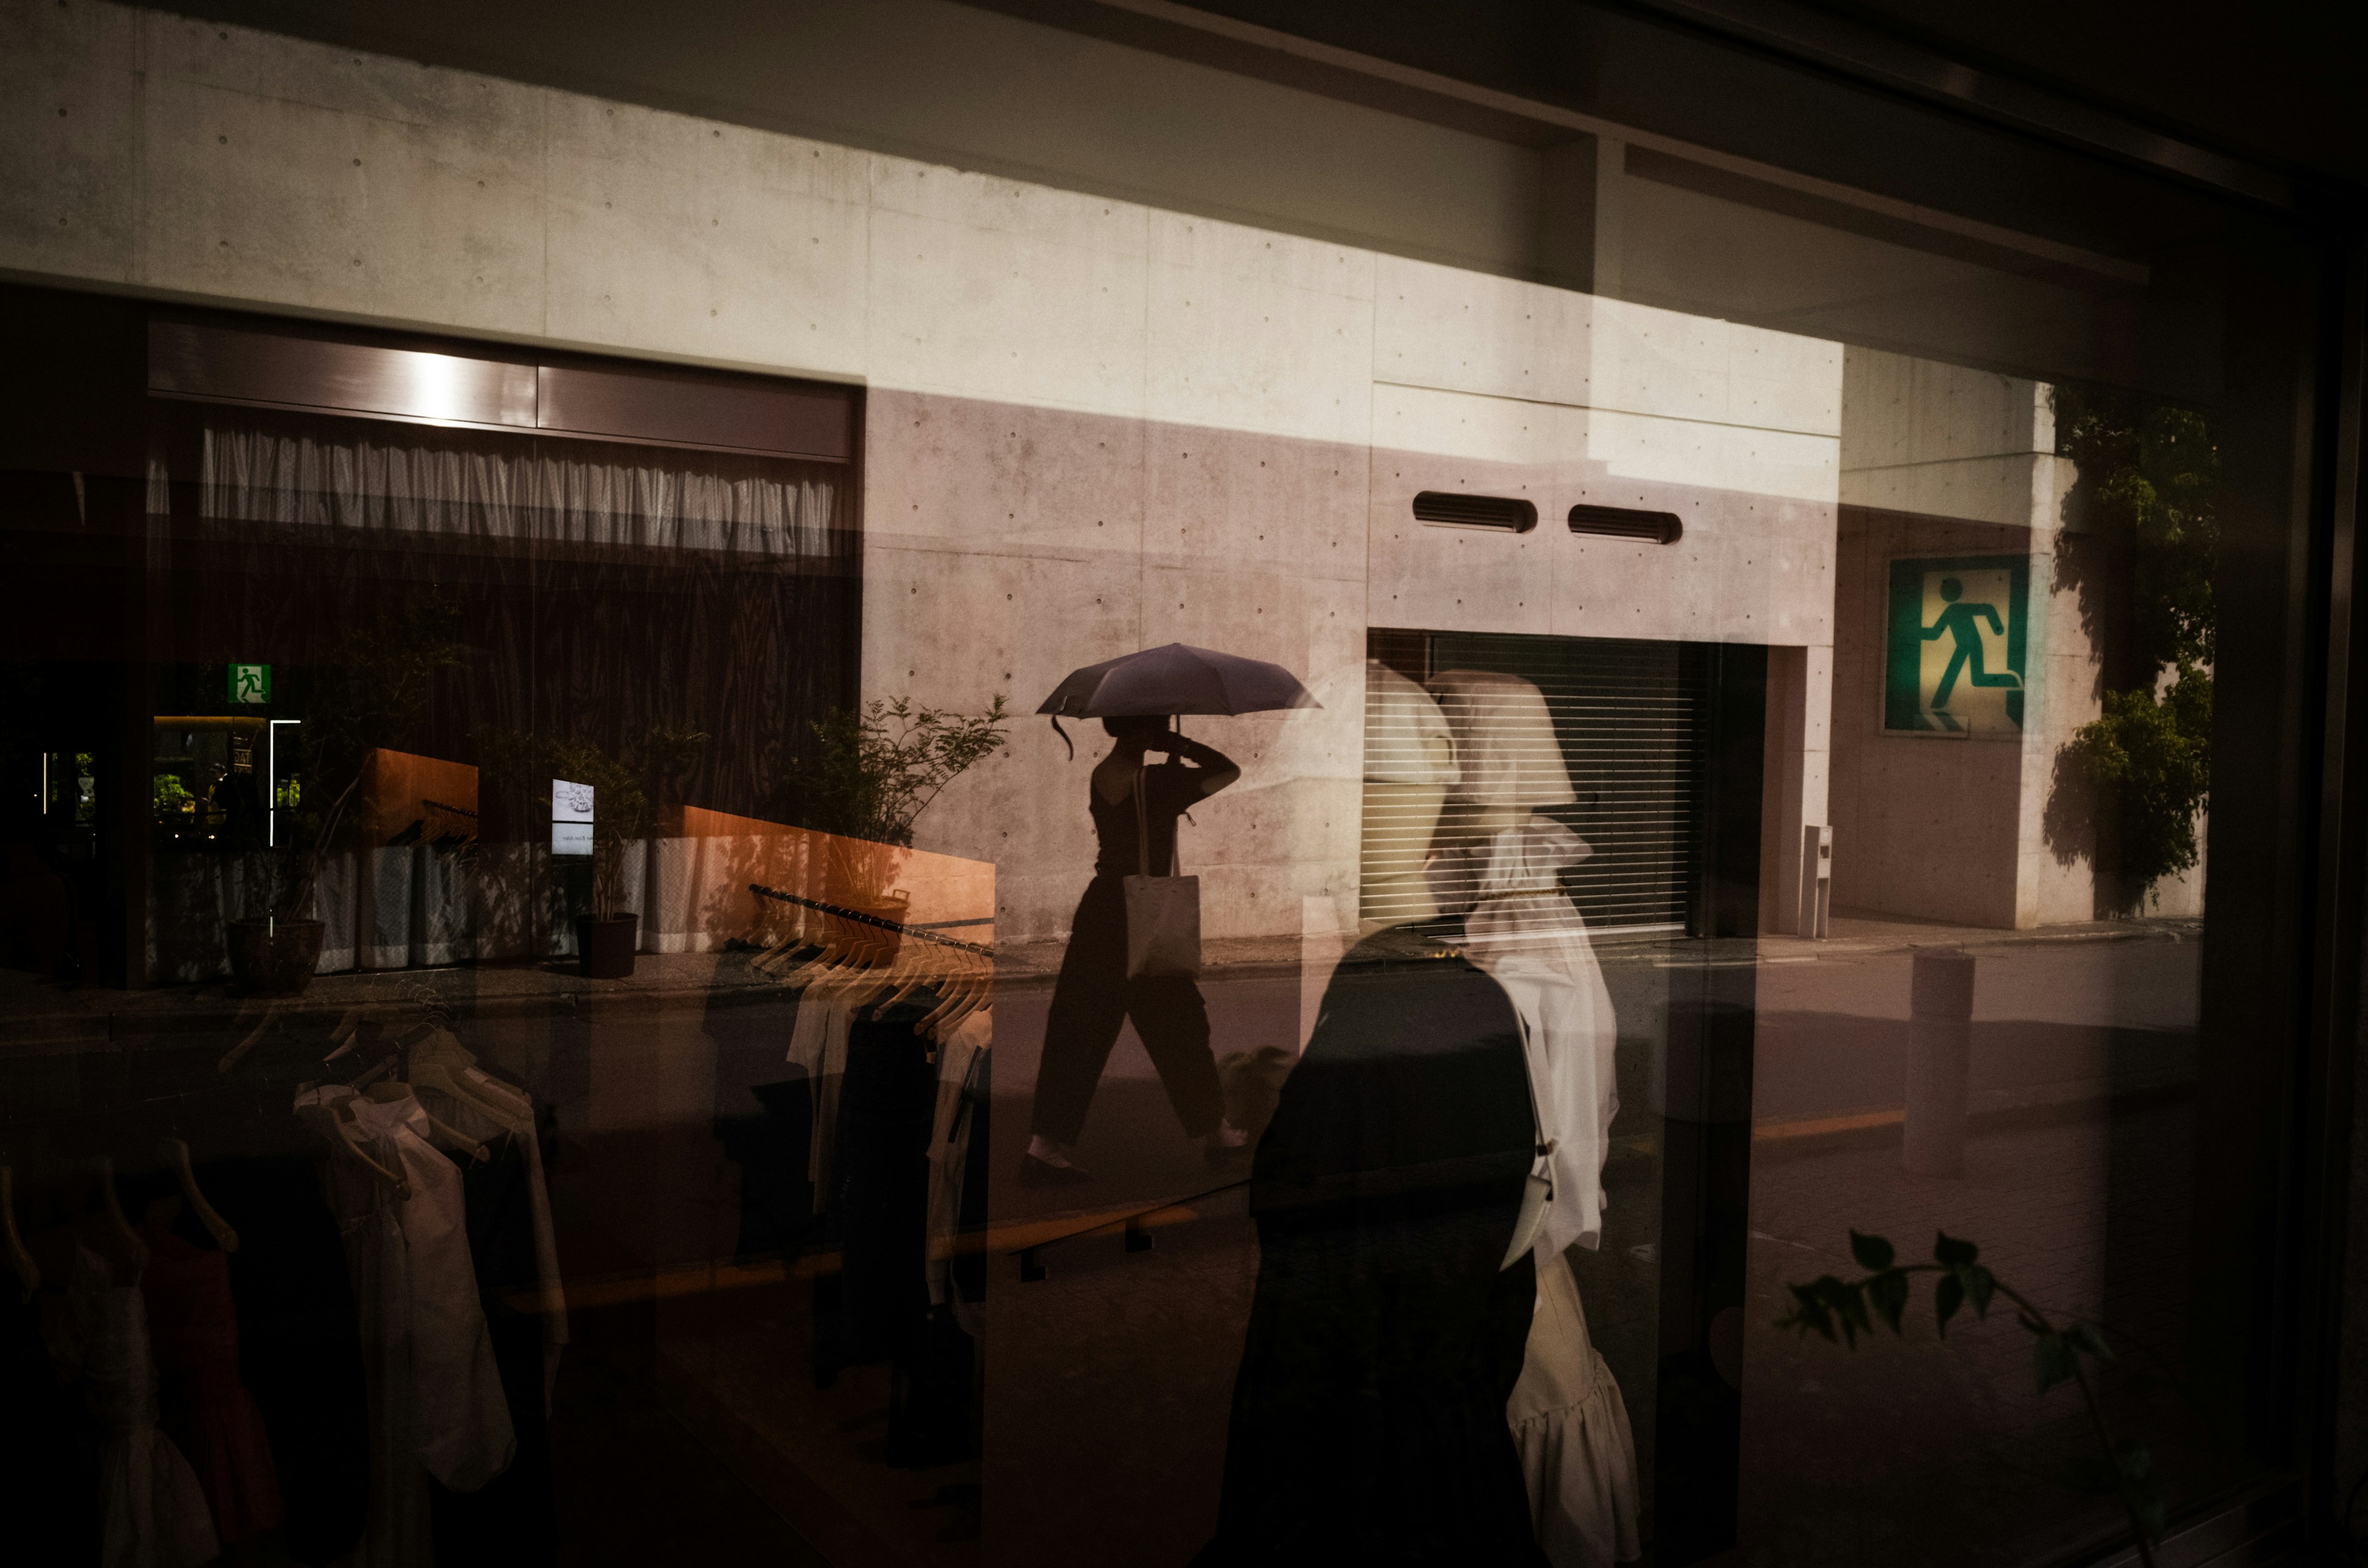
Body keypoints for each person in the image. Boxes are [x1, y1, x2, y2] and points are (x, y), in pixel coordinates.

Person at [1021, 715, 1248, 1185]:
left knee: (1078, 1025)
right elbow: (1229, 771)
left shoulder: (1101, 774)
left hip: (1101, 908)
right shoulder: (1160, 780)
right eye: (1159, 724)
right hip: (1146, 912)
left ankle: (1045, 1146)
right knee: (1180, 1025)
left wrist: (1160, 750)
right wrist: (1183, 745)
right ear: (1148, 731)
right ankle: (1215, 1133)